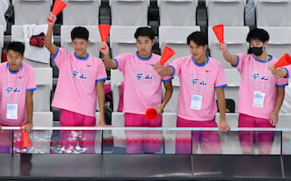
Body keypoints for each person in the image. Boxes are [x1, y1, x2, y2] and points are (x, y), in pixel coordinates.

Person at [154, 30, 230, 154]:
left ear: (205, 47)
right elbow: (169, 70)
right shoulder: (182, 62)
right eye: (191, 47)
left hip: (207, 121)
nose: (194, 51)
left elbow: (220, 94)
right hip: (185, 120)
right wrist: (162, 71)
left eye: (197, 47)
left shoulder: (216, 66)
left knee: (214, 158)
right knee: (183, 160)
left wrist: (222, 119)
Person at [101, 26, 173, 154]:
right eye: (139, 42)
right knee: (133, 154)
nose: (143, 46)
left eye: (146, 42)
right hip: (132, 114)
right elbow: (109, 64)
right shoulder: (127, 59)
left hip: (153, 114)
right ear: (136, 43)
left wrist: (162, 106)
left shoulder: (161, 62)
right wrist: (106, 54)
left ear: (152, 42)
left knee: (152, 155)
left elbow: (169, 89)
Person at [45, 17, 107, 153]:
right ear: (72, 43)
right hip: (69, 111)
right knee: (68, 150)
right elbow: (48, 44)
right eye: (75, 43)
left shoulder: (97, 63)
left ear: (88, 43)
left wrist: (101, 117)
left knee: (88, 151)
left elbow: (100, 90)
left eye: (82, 43)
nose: (78, 47)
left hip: (88, 112)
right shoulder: (64, 57)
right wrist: (50, 25)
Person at [219, 27, 286, 154]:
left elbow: (281, 92)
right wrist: (225, 51)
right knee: (246, 151)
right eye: (252, 44)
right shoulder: (245, 59)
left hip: (267, 116)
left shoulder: (277, 64)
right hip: (246, 114)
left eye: (257, 43)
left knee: (265, 152)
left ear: (265, 43)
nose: (254, 46)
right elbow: (231, 59)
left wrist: (275, 112)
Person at [0, 41, 35, 153]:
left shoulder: (29, 71)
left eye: (16, 57)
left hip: (21, 124)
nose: (13, 60)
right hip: (0, 124)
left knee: (21, 158)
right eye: (10, 56)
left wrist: (29, 122)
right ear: (6, 55)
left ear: (22, 57)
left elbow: (29, 98)